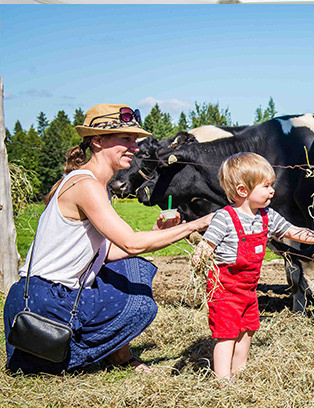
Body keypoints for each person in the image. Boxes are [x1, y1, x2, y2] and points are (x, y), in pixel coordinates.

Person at [3, 103, 213, 375]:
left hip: (46, 298)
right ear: (97, 141)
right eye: (125, 139)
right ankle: (58, 357)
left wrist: (161, 232)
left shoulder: (96, 185)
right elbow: (131, 243)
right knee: (140, 305)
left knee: (131, 269)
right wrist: (198, 224)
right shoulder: (86, 186)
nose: (135, 147)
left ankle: (112, 356)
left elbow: (110, 251)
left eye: (135, 140)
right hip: (42, 303)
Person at [191, 152, 314, 380]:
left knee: (247, 330)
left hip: (248, 288)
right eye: (266, 186)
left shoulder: (268, 216)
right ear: (243, 191)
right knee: (227, 334)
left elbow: (293, 232)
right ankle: (223, 381)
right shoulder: (224, 218)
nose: (272, 190)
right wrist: (199, 255)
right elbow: (207, 243)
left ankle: (239, 370)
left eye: (271, 185)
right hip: (224, 289)